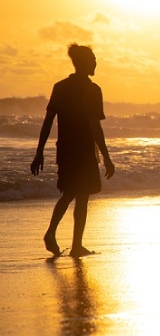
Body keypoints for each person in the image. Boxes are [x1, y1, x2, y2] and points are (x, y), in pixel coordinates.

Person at [30, 44, 115, 257]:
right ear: (84, 62)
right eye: (93, 59)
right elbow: (95, 127)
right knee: (81, 195)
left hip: (66, 149)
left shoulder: (61, 87)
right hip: (84, 150)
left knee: (69, 193)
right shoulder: (93, 90)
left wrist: (39, 152)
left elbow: (48, 122)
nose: (96, 63)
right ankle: (75, 245)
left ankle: (52, 233)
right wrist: (106, 157)